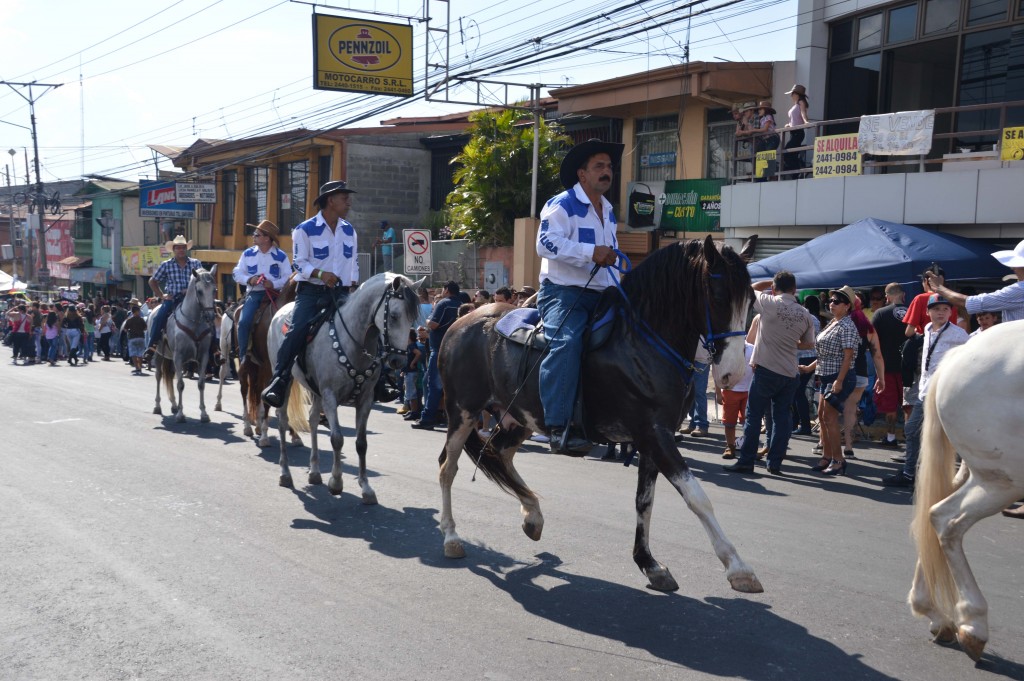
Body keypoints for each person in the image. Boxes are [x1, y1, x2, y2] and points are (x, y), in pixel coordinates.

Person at [535, 138, 622, 453]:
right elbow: (544, 244)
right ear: (582, 174)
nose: (606, 171)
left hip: (604, 293)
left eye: (609, 166)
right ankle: (557, 427)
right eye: (599, 166)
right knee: (567, 342)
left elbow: (612, 256)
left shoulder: (609, 211)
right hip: (563, 293)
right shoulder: (562, 204)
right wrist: (591, 252)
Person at [262, 180, 360, 408]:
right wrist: (320, 273)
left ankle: (379, 378)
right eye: (344, 197)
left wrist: (354, 287)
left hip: (342, 292)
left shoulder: (349, 230)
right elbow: (298, 263)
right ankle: (279, 380)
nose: (348, 202)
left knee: (367, 323)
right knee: (297, 330)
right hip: (311, 292)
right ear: (330, 201)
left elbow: (353, 262)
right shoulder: (304, 229)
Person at [723, 271, 816, 475]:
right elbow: (809, 343)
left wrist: (768, 283)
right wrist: (791, 343)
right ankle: (774, 463)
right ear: (794, 289)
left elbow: (750, 288)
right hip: (790, 372)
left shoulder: (768, 302)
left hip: (766, 370)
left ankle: (747, 460)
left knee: (754, 416)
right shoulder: (805, 314)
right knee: (782, 418)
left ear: (774, 289)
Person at [883, 294, 969, 487]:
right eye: (937, 309)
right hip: (925, 391)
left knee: (941, 436)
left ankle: (943, 479)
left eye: (945, 309)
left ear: (951, 312)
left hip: (944, 393)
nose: (941, 313)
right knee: (915, 431)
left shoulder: (959, 334)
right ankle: (911, 474)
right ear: (928, 312)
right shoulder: (928, 329)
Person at [803, 285, 860, 476]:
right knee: (822, 417)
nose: (831, 304)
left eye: (836, 301)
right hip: (827, 376)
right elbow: (824, 354)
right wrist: (809, 368)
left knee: (830, 418)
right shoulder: (834, 322)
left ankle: (839, 460)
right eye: (830, 301)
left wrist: (839, 381)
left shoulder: (847, 325)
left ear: (847, 306)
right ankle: (827, 456)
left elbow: (848, 356)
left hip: (839, 377)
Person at [231, 220, 291, 368]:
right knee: (244, 322)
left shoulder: (281, 256)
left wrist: (273, 284)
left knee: (290, 322)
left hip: (276, 295)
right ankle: (243, 354)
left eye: (257, 234)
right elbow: (236, 272)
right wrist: (249, 279)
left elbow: (288, 278)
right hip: (255, 294)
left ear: (266, 238)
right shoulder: (247, 254)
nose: (254, 237)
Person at [925, 238, 1024, 324]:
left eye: (1016, 264)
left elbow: (971, 303)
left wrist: (939, 288)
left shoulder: (1020, 290)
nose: (1012, 268)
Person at [411, 281, 462, 430]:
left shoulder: (443, 304)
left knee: (433, 384)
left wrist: (427, 320)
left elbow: (434, 324)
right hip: (457, 349)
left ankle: (428, 417)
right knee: (442, 384)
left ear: (446, 290)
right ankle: (441, 413)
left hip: (440, 349)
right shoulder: (461, 303)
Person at [147, 235, 203, 352]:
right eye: (178, 248)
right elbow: (152, 281)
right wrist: (162, 295)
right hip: (173, 298)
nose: (181, 250)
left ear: (186, 249)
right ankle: (152, 346)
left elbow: (202, 281)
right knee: (159, 317)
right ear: (173, 250)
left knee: (209, 316)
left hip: (192, 299)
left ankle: (214, 349)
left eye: (183, 247)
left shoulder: (196, 263)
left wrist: (191, 290)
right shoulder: (166, 265)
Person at [869, 283, 909, 447]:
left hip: (886, 366)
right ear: (903, 295)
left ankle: (891, 437)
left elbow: (871, 340)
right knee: (909, 405)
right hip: (909, 367)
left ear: (888, 296)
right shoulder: (912, 312)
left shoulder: (880, 313)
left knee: (890, 405)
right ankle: (910, 440)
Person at [715, 340, 754, 459]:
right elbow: (718, 371)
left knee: (749, 423)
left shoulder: (752, 349)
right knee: (729, 422)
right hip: (730, 390)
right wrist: (718, 393)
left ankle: (750, 448)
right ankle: (730, 447)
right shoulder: (726, 349)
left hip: (749, 391)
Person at [791, 295, 822, 435]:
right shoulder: (814, 318)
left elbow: (795, 338)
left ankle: (803, 425)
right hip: (812, 357)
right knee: (797, 390)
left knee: (797, 391)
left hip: (801, 357)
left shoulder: (799, 316)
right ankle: (796, 423)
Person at [904, 264, 960, 337]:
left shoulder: (920, 299)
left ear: (926, 281)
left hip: (926, 344)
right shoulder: (951, 299)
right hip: (948, 344)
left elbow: (909, 332)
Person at [782, 85, 809, 175]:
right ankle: (796, 172)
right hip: (793, 132)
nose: (791, 95)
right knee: (791, 153)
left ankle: (796, 173)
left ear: (797, 94)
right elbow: (794, 119)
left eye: (792, 93)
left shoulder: (801, 102)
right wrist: (789, 125)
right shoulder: (795, 105)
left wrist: (806, 121)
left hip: (798, 132)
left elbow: (803, 113)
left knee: (787, 152)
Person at [124, 304, 149, 375]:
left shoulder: (129, 320)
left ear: (132, 312)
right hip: (141, 337)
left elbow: (125, 329)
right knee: (140, 354)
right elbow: (145, 328)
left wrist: (129, 330)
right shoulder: (141, 319)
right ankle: (140, 368)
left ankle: (137, 368)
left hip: (132, 338)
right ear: (138, 311)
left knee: (133, 354)